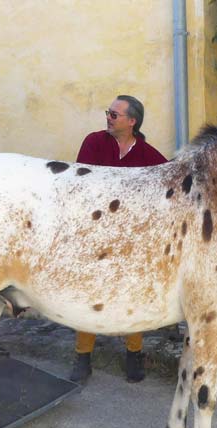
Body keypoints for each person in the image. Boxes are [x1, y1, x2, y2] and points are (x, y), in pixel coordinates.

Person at [70, 95, 167, 384]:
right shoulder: (94, 142)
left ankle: (134, 353)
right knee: (91, 292)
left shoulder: (148, 155)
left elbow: (168, 181)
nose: (109, 117)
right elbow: (82, 183)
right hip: (96, 232)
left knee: (131, 293)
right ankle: (82, 356)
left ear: (132, 121)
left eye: (115, 114)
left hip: (132, 237)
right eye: (108, 112)